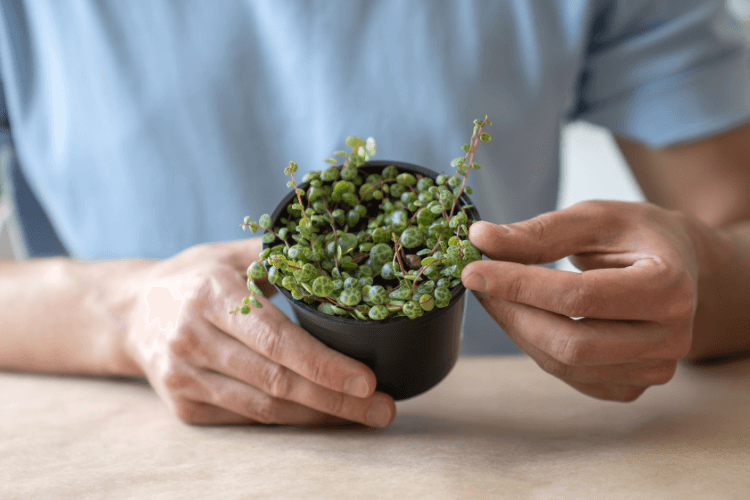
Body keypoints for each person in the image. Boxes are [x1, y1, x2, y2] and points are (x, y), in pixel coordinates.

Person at [1, 0, 749, 427]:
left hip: (501, 446)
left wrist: (702, 280)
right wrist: (123, 311)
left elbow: (735, 220)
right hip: (150, 455)